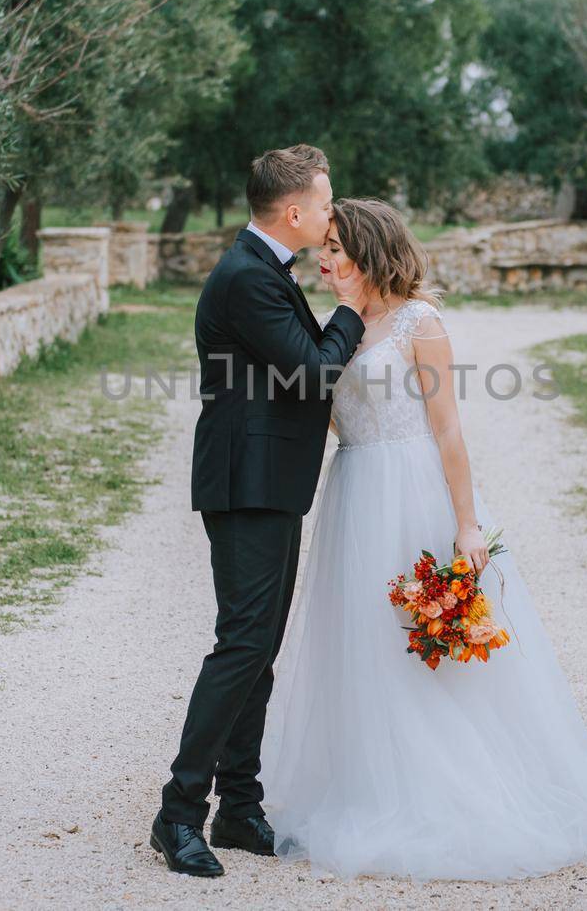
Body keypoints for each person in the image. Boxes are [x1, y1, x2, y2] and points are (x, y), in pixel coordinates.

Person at [256, 197, 587, 881]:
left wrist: (466, 524)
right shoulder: (340, 326)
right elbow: (328, 414)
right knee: (365, 639)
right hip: (353, 493)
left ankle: (453, 786)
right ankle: (372, 781)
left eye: (338, 251)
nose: (324, 260)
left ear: (372, 252)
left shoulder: (420, 322)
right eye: (324, 250)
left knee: (428, 637)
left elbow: (447, 429)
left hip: (412, 493)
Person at [151, 145, 367, 877]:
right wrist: (352, 309)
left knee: (259, 651)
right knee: (241, 644)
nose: (333, 214)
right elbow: (313, 374)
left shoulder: (261, 269)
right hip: (245, 483)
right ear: (296, 211)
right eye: (327, 203)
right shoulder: (247, 277)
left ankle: (241, 808)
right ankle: (178, 813)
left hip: (269, 481)